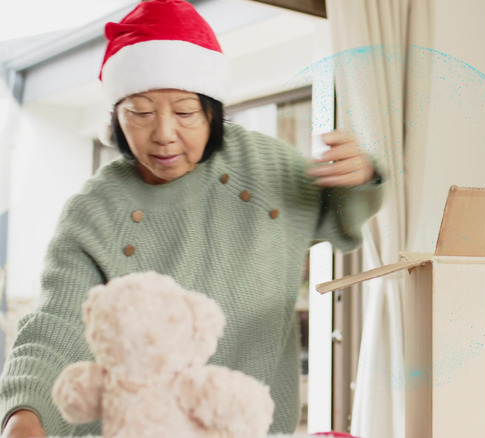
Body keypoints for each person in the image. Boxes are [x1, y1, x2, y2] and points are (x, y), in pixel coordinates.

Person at [0, 1, 383, 436]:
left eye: (184, 111)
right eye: (140, 111)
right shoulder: (95, 211)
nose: (164, 133)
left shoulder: (262, 168)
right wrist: (24, 414)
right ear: (116, 117)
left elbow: (338, 219)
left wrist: (359, 177)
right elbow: (57, 324)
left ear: (211, 111)